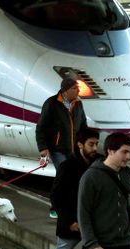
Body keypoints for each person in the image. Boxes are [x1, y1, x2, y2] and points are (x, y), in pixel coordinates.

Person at [33, 128, 100, 249]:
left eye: (97, 144)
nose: (95, 148)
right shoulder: (68, 166)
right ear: (80, 145)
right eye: (91, 144)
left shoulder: (98, 162)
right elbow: (56, 196)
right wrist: (69, 221)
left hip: (93, 221)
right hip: (73, 222)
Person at [78, 132, 130, 249]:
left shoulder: (126, 173)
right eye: (124, 152)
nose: (129, 157)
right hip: (98, 244)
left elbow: (122, 202)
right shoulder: (91, 177)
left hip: (123, 242)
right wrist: (91, 244)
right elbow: (83, 213)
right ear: (110, 151)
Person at [36, 77, 87, 219]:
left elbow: (83, 125)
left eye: (78, 88)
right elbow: (41, 127)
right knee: (64, 174)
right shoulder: (52, 103)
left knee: (75, 176)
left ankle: (71, 205)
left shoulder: (78, 104)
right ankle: (55, 207)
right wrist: (43, 148)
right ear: (65, 90)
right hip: (57, 148)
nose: (77, 90)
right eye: (74, 88)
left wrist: (85, 142)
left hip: (74, 149)